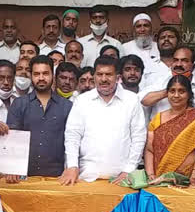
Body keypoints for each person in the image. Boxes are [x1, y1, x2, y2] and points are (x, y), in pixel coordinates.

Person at [60, 56, 145, 185]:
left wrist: (129, 170)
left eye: (108, 74)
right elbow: (72, 135)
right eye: (100, 74)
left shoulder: (132, 100)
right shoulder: (82, 101)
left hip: (122, 179)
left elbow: (138, 138)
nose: (104, 79)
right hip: (86, 176)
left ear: (118, 77)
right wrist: (72, 166)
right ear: (94, 77)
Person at [144, 74, 195, 183]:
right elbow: (149, 149)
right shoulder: (157, 119)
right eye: (172, 91)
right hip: (158, 182)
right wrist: (151, 174)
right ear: (167, 93)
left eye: (181, 91)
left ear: (189, 94)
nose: (176, 95)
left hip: (188, 183)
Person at [6, 55, 73, 180]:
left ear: (53, 75)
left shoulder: (67, 106)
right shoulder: (19, 104)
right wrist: (12, 168)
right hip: (23, 177)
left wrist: (70, 168)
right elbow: (12, 137)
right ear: (31, 76)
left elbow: (72, 141)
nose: (41, 78)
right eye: (36, 74)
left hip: (59, 178)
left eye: (45, 73)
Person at [140, 46, 195, 117]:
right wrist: (170, 91)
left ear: (193, 66)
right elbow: (144, 100)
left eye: (184, 61)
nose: (178, 64)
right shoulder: (161, 81)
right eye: (175, 60)